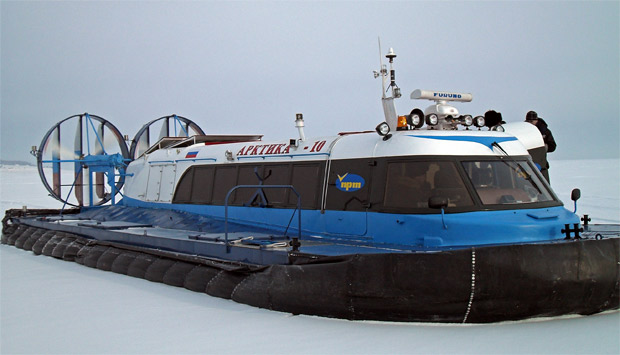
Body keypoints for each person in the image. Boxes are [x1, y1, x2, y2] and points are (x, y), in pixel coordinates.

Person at [525, 110, 556, 182]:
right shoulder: (523, 131)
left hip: (541, 165)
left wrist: (544, 147)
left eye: (532, 121)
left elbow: (553, 146)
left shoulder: (545, 131)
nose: (531, 123)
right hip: (526, 164)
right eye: (529, 121)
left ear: (537, 120)